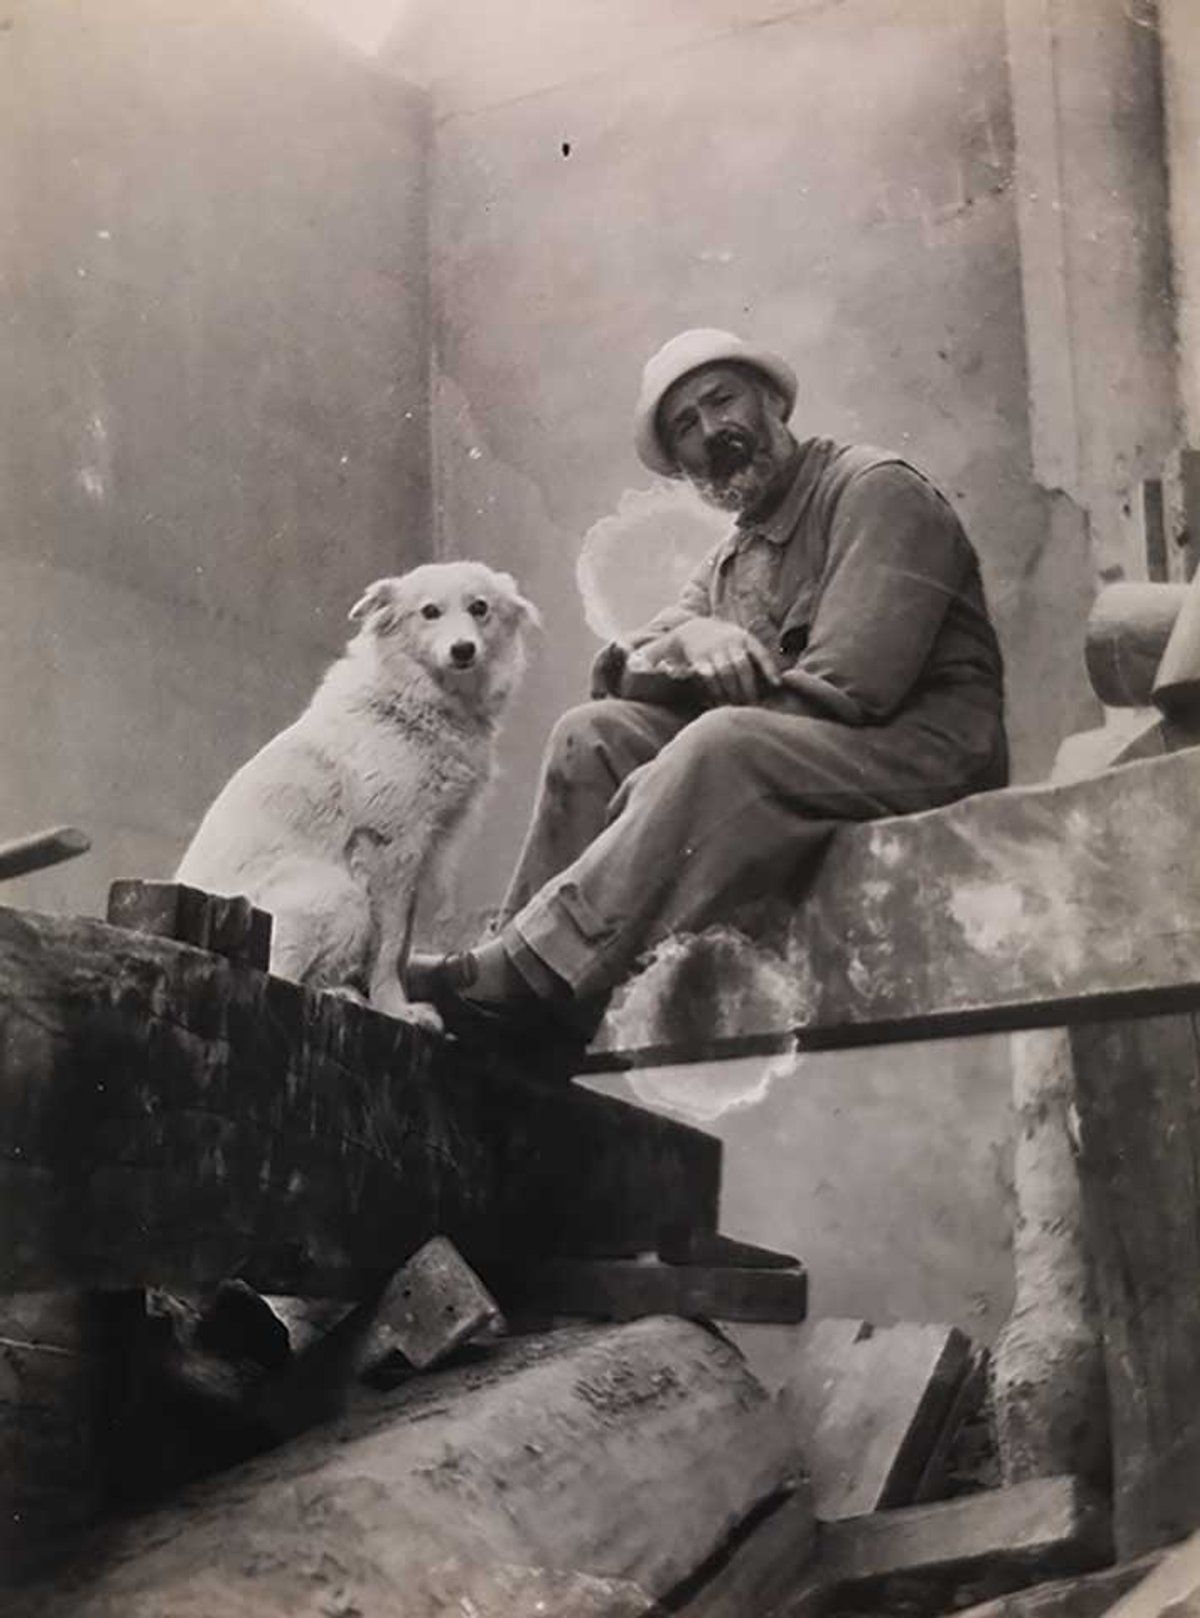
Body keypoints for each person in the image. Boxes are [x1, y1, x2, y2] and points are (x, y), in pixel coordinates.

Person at [407, 328, 1008, 1051]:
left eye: (722, 401)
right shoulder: (733, 557)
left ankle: (522, 970)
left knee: (721, 742)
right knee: (589, 736)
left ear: (771, 403)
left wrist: (669, 778)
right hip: (800, 753)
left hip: (921, 755)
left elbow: (856, 688)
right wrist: (693, 641)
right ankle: (527, 1003)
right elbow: (623, 669)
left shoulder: (875, 490)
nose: (711, 430)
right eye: (685, 427)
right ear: (683, 464)